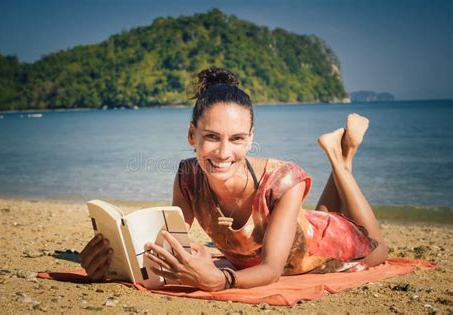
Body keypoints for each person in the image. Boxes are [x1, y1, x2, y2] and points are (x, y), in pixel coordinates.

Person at [80, 67, 388, 291]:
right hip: (301, 229)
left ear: (251, 138)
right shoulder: (188, 177)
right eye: (212, 137)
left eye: (237, 138)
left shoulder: (284, 181)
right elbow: (175, 248)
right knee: (314, 219)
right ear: (192, 135)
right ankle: (343, 150)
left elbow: (270, 270)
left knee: (377, 252)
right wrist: (116, 265)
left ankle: (340, 156)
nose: (224, 152)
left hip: (331, 244)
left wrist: (223, 279)